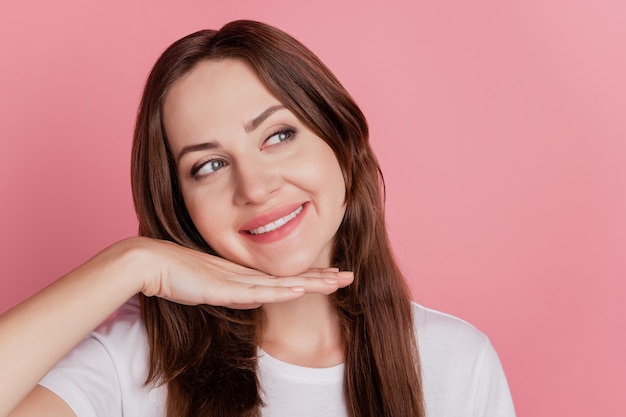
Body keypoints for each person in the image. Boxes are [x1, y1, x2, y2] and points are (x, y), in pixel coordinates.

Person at [1, 20, 516, 417]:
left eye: (278, 136)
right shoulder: (132, 364)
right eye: (209, 165)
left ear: (341, 140)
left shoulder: (456, 363)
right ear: (182, 207)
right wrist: (129, 263)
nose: (255, 187)